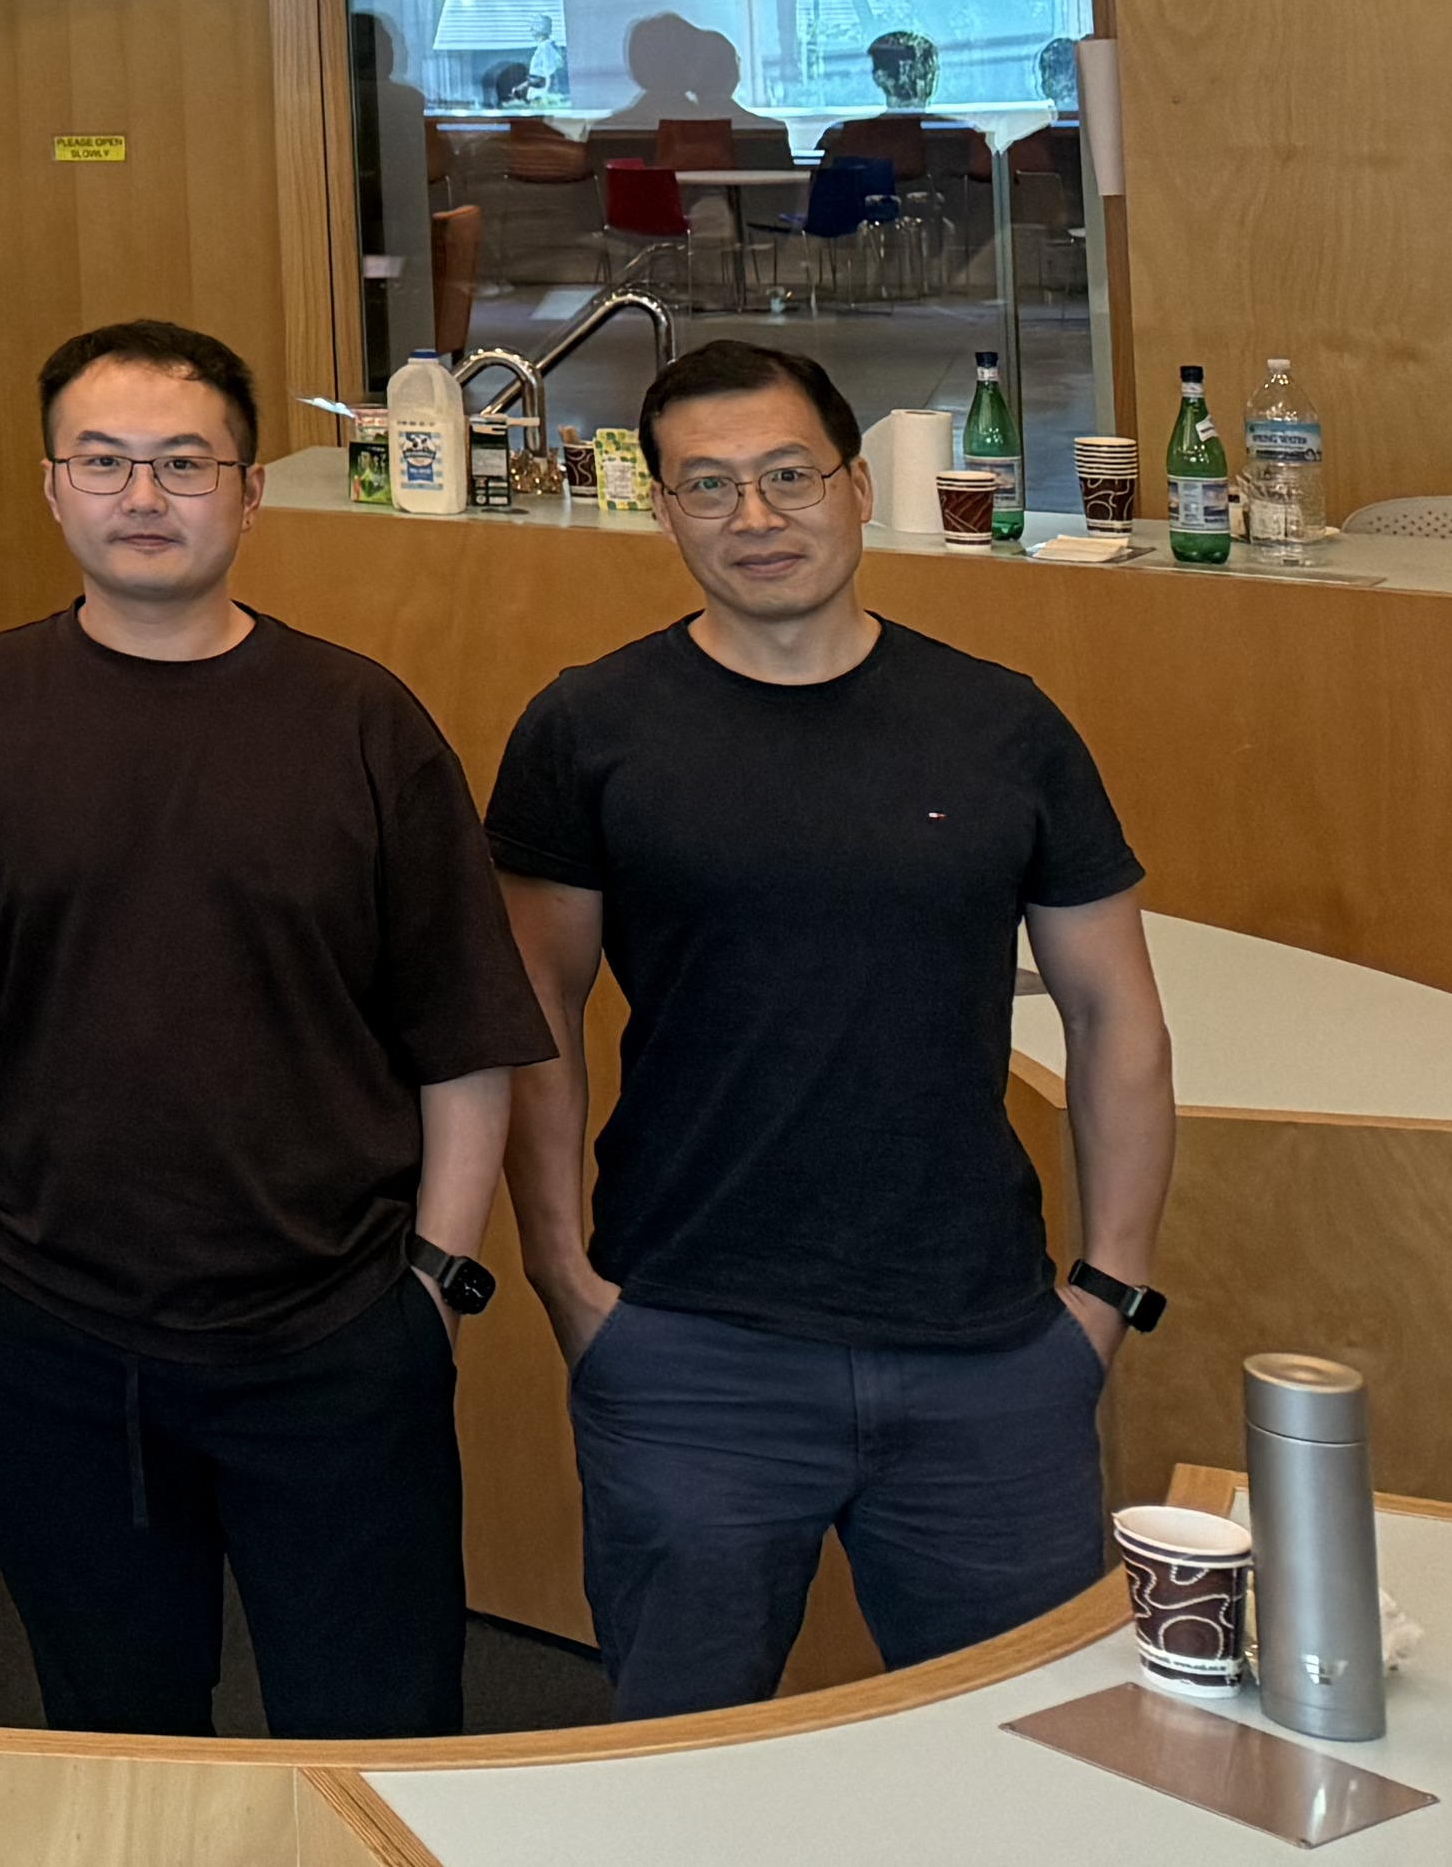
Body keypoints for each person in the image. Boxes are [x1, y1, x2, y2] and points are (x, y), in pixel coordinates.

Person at [0, 319, 549, 1741]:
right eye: (104, 462)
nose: (143, 495)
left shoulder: (362, 722)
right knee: (124, 1742)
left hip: (335, 1330)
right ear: (53, 489)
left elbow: (465, 1034)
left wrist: (432, 1285)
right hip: (55, 1333)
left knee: (376, 1737)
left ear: (250, 491)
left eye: (184, 463)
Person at [491, 337, 1178, 1715]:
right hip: (689, 1343)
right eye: (708, 486)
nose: (755, 516)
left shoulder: (1002, 725)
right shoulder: (588, 728)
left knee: (1032, 1755)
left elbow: (1116, 1016)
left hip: (987, 1350)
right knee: (681, 1755)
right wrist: (566, 1279)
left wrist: (1107, 1293)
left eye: (789, 475)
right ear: (664, 510)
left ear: (859, 487)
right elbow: (532, 1017)